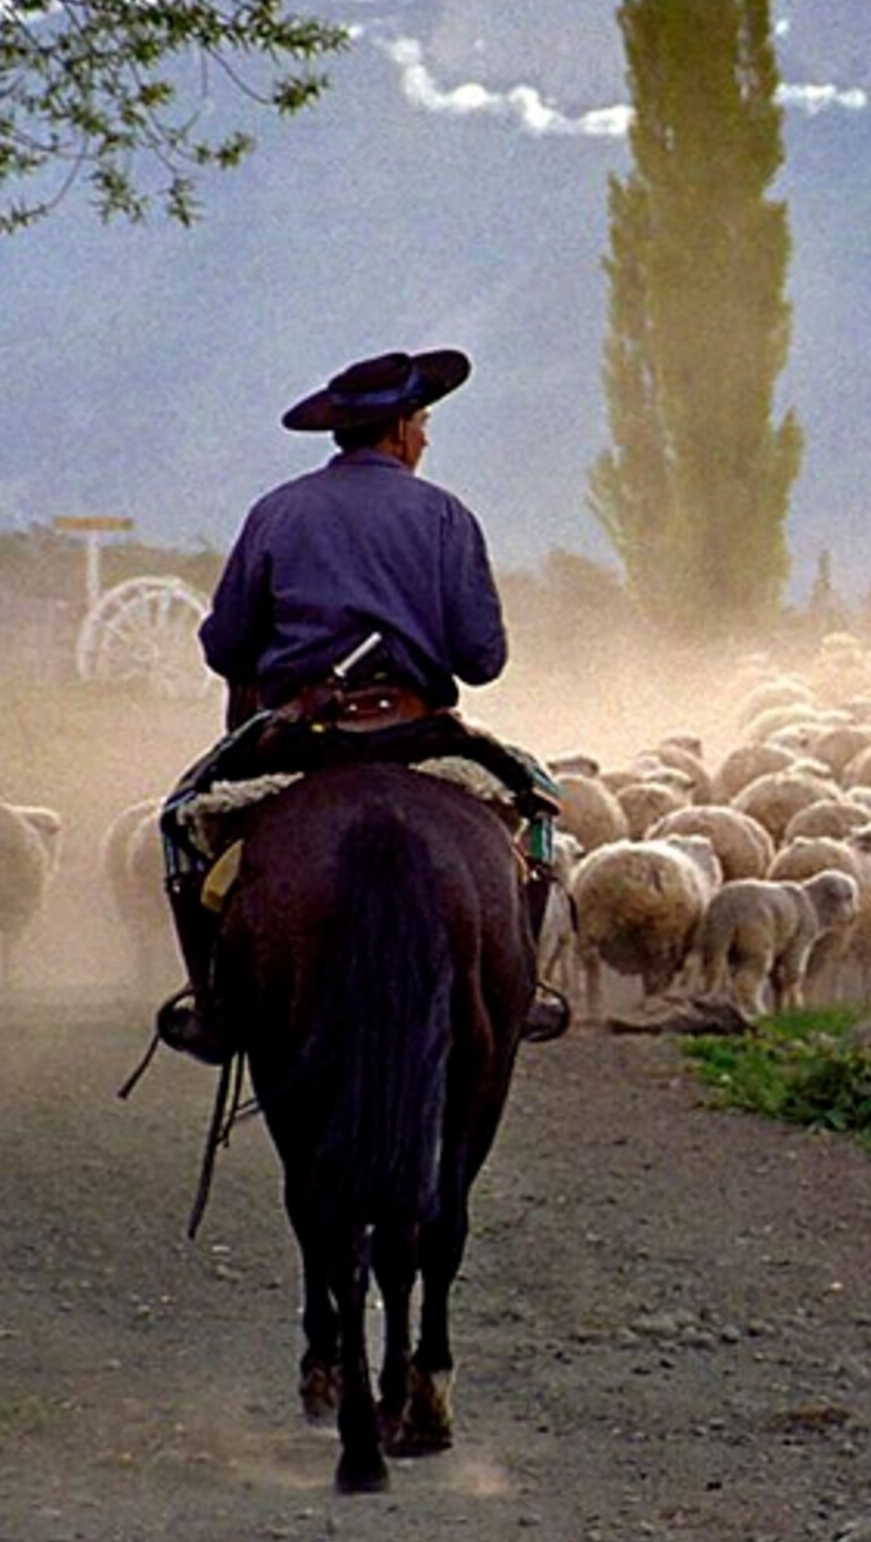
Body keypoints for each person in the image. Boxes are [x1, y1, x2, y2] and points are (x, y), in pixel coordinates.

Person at [153, 348, 568, 1063]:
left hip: (299, 736)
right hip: (415, 730)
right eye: (426, 421)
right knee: (537, 810)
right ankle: (522, 992)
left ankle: (213, 1003)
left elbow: (224, 646)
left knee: (177, 823)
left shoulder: (275, 511)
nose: (428, 437)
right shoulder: (446, 515)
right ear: (401, 428)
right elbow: (482, 659)